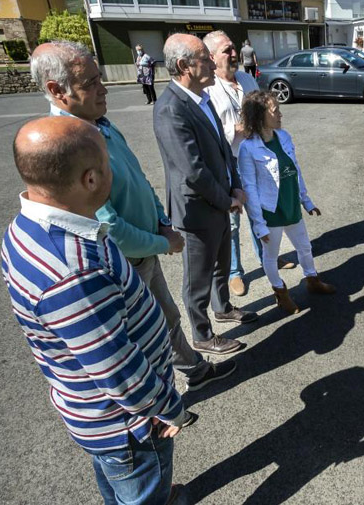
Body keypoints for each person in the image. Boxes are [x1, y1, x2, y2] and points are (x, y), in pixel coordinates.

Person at [1, 115, 196, 504]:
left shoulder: (30, 227)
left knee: (116, 481)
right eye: (108, 165)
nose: (113, 171)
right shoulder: (74, 271)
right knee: (141, 486)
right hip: (130, 424)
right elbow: (118, 371)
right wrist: (170, 408)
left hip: (95, 413)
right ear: (90, 179)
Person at [30, 40, 236, 391]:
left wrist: (159, 220)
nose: (103, 88)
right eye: (91, 83)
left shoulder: (98, 125)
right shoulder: (70, 146)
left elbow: (138, 179)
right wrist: (162, 241)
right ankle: (159, 405)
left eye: (99, 78)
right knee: (144, 333)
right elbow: (107, 223)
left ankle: (193, 372)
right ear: (56, 90)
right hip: (125, 260)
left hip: (144, 251)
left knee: (165, 318)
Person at [153, 33, 257, 356]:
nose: (213, 62)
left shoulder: (203, 96)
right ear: (184, 66)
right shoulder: (171, 109)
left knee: (220, 264)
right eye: (205, 58)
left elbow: (225, 148)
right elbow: (193, 171)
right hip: (197, 210)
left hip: (221, 200)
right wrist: (228, 200)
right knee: (197, 278)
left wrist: (235, 184)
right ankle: (202, 334)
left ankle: (223, 307)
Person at [204, 30, 294, 298]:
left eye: (233, 48)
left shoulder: (245, 79)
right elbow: (210, 131)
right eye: (226, 51)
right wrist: (237, 129)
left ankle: (268, 258)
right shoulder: (207, 88)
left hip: (256, 158)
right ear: (211, 57)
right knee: (232, 222)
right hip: (227, 162)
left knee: (260, 210)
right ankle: (234, 272)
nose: (233, 54)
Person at [238, 90, 336, 314]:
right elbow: (250, 189)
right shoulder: (248, 148)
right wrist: (259, 224)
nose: (280, 114)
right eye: (275, 110)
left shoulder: (284, 136)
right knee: (270, 256)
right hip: (271, 211)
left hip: (291, 205)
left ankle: (312, 280)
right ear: (260, 115)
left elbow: (295, 171)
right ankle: (280, 293)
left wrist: (306, 201)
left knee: (304, 247)